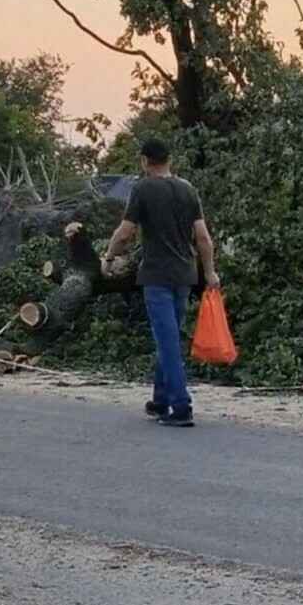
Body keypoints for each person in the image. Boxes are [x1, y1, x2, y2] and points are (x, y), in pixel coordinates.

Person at [102, 138, 219, 427]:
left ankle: (181, 407)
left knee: (167, 343)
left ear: (144, 161)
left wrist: (109, 256)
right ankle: (160, 400)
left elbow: (125, 233)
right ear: (170, 160)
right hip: (185, 275)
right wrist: (210, 273)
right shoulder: (188, 189)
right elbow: (203, 237)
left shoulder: (143, 189)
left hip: (157, 275)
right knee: (168, 337)